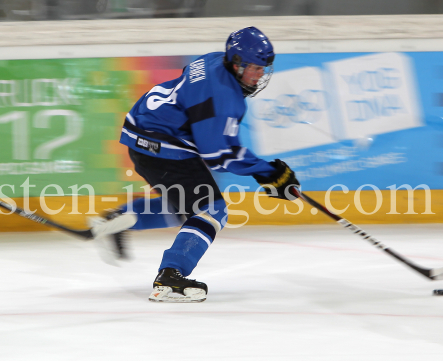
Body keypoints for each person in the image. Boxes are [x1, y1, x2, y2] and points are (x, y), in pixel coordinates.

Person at [89, 26, 299, 303]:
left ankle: (116, 220)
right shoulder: (222, 98)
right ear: (236, 64)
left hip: (144, 136)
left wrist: (266, 173)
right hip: (162, 146)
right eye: (255, 68)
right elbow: (219, 155)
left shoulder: (214, 60)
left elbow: (214, 140)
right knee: (213, 210)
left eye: (264, 69)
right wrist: (269, 173)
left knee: (189, 210)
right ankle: (169, 278)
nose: (260, 75)